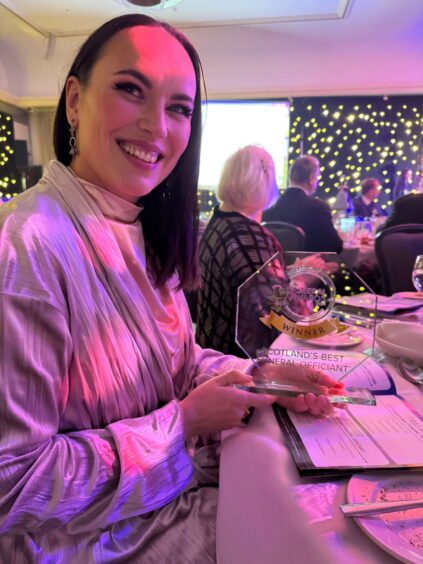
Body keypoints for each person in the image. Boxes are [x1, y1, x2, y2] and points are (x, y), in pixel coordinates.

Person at [0, 14, 343, 563]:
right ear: (73, 101)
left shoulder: (139, 230)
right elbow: (13, 486)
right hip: (81, 542)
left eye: (179, 108)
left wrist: (261, 377)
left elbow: (175, 366)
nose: (157, 127)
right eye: (130, 89)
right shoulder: (25, 247)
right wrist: (180, 424)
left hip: (164, 498)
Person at [196, 145, 282, 356]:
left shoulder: (217, 222)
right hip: (240, 362)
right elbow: (278, 317)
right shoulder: (249, 236)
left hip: (210, 349)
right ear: (266, 182)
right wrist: (303, 279)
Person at [263, 155, 343, 253]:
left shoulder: (269, 206)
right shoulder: (318, 208)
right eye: (317, 177)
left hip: (276, 266)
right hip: (309, 267)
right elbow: (335, 247)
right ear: (312, 178)